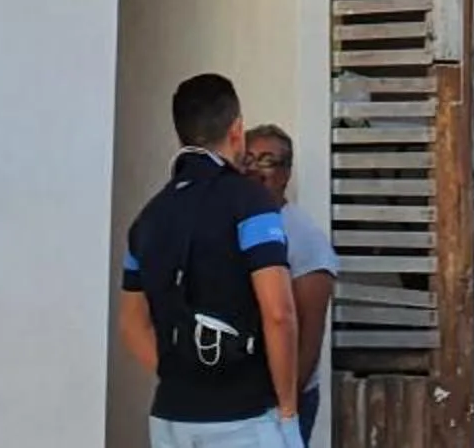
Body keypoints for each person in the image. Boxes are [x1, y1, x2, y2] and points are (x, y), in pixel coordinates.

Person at [120, 73, 301, 448]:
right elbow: (279, 313)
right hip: (244, 415)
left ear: (181, 134)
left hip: (171, 416)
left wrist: (186, 376)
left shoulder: (147, 218)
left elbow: (131, 325)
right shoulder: (251, 203)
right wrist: (288, 412)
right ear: (237, 131)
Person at [245, 124, 341, 443]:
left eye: (268, 161)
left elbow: (307, 344)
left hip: (279, 406)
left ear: (285, 173)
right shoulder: (236, 227)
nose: (256, 170)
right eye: (248, 159)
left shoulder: (304, 239)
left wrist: (279, 411)